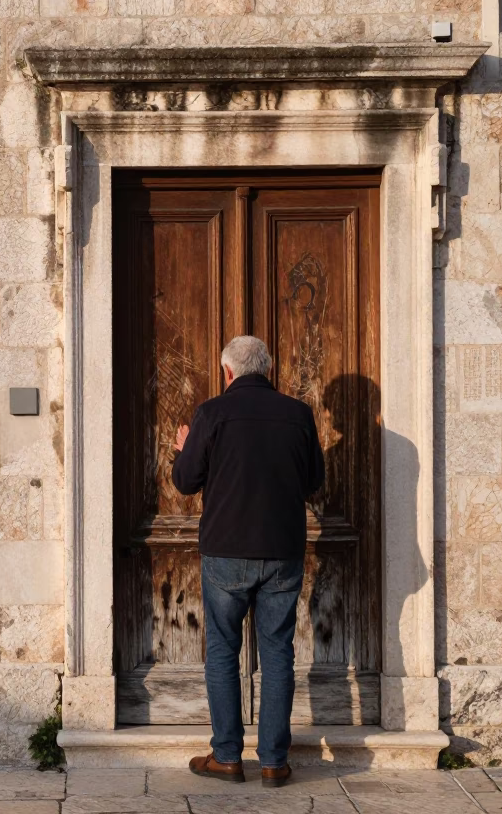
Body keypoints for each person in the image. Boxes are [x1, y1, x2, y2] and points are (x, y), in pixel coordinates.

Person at [171, 335, 325, 788]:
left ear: (228, 372)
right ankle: (274, 762)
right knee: (277, 653)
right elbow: (313, 481)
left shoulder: (212, 413)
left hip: (227, 551)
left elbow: (185, 481)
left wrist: (184, 449)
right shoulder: (298, 415)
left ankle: (227, 757)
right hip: (282, 551)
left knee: (223, 650)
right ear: (267, 368)